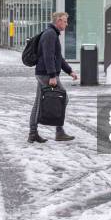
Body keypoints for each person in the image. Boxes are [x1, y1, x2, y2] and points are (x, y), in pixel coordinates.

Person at [28, 12, 78, 143]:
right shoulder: (50, 34)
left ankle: (33, 133)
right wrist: (52, 75)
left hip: (43, 73)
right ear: (59, 21)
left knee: (38, 103)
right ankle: (59, 132)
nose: (67, 24)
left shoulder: (52, 34)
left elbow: (58, 57)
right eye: (65, 21)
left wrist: (69, 71)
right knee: (62, 98)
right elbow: (48, 56)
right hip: (46, 74)